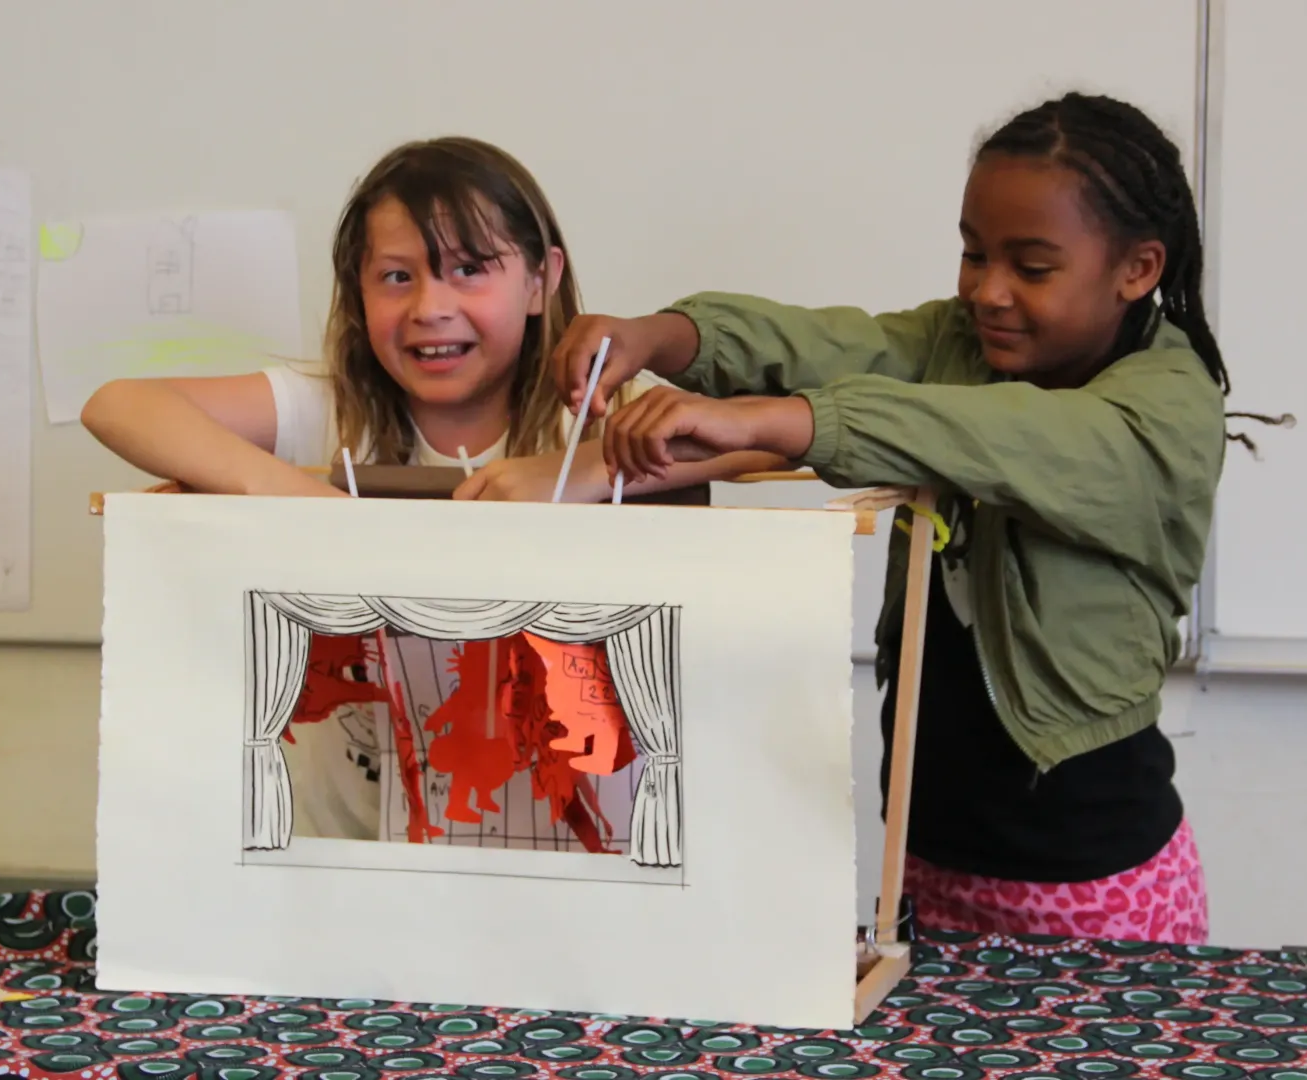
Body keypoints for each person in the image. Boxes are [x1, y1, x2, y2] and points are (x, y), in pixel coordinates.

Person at [548, 93, 1286, 944]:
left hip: (1094, 882)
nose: (988, 291)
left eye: (1030, 267)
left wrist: (771, 421)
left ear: (1138, 267)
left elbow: (1003, 434)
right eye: (973, 254)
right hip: (928, 865)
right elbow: (825, 344)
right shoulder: (957, 346)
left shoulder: (1167, 407)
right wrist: (663, 336)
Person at [82, 135, 782, 845]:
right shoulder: (328, 409)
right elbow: (117, 405)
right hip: (344, 854)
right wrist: (300, 500)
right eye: (396, 277)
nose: (429, 307)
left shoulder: (599, 411)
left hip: (583, 854)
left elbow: (769, 434)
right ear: (357, 290)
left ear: (540, 279)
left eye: (469, 269)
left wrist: (588, 468)